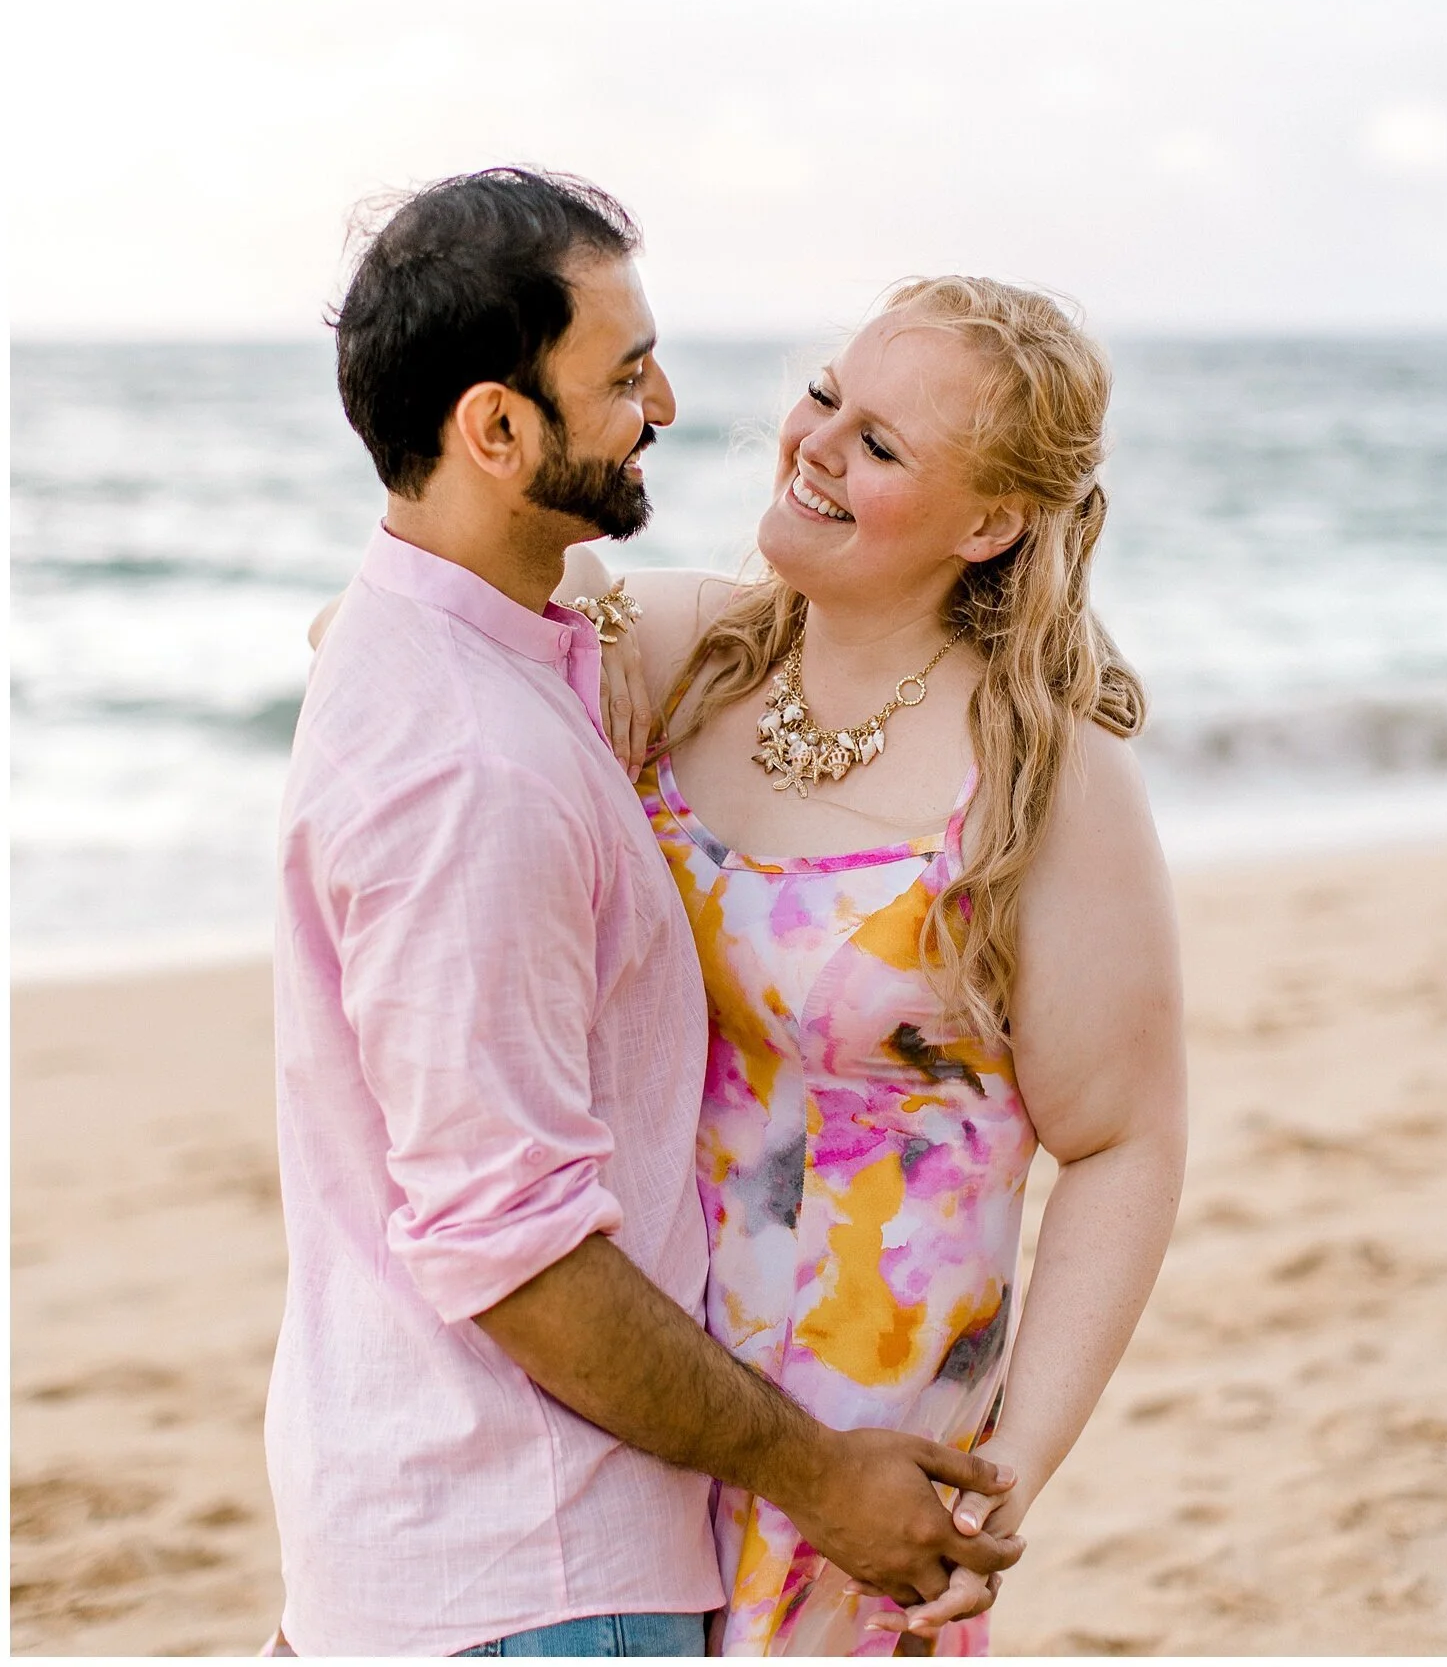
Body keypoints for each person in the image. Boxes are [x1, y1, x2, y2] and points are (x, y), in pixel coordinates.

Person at [267, 168, 1017, 1659]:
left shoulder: (481, 657)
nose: (667, 399)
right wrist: (821, 1478)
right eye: (622, 374)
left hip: (449, 1545)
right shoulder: (468, 770)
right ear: (498, 429)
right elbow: (517, 1253)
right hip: (531, 1576)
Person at [560, 273, 1187, 1654]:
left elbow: (1125, 1139)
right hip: (624, 1406)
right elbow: (424, 634)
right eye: (828, 395)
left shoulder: (1041, 777)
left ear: (992, 522)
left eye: (882, 444)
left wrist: (1009, 1470)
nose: (816, 443)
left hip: (859, 1470)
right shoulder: (683, 661)